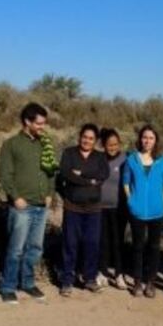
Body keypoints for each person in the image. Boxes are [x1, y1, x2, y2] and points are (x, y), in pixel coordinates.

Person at [0, 103, 56, 304]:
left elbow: (50, 171)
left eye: (44, 123)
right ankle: (8, 286)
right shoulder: (11, 144)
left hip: (41, 206)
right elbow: (5, 175)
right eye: (39, 123)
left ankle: (28, 283)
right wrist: (15, 196)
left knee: (36, 248)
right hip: (21, 207)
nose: (42, 127)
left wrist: (50, 193)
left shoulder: (45, 144)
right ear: (27, 122)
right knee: (16, 249)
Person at [57, 123, 110, 296]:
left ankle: (89, 278)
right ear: (80, 136)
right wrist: (89, 180)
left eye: (91, 138)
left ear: (95, 141)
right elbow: (65, 173)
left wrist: (80, 175)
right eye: (84, 137)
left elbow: (103, 175)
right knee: (70, 244)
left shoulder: (100, 157)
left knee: (91, 244)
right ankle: (67, 280)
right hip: (72, 207)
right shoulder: (69, 153)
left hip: (93, 209)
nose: (87, 141)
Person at [122, 125, 163, 298]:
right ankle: (137, 282)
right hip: (137, 211)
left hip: (157, 212)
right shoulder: (131, 159)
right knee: (138, 247)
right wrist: (131, 201)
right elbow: (126, 182)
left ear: (155, 140)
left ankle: (151, 282)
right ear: (140, 139)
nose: (147, 141)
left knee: (155, 247)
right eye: (144, 137)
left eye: (150, 138)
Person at [97, 128, 128, 290]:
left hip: (119, 208)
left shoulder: (125, 159)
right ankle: (102, 272)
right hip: (100, 208)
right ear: (103, 145)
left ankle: (119, 274)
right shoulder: (99, 159)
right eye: (109, 144)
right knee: (103, 241)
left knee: (117, 242)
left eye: (115, 144)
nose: (113, 147)